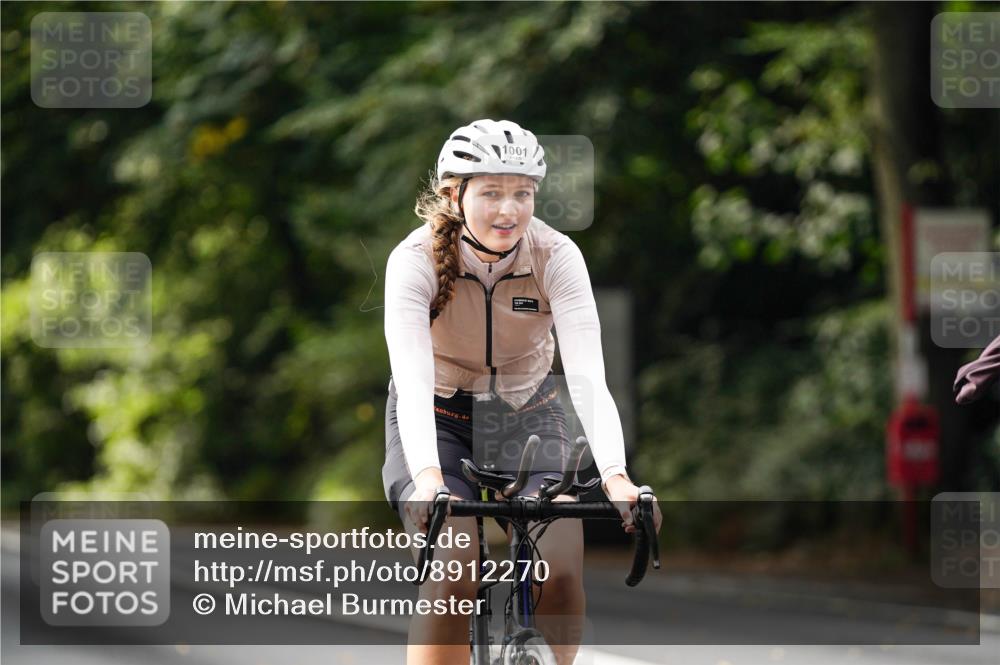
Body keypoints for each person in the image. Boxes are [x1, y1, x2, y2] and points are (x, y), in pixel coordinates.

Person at [382, 119, 662, 665]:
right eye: (491, 193)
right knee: (452, 574)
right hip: (436, 419)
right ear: (453, 195)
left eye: (523, 194)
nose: (509, 210)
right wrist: (429, 480)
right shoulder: (413, 261)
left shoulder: (556, 256)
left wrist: (617, 477)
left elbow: (589, 380)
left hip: (526, 413)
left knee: (558, 572)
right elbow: (412, 383)